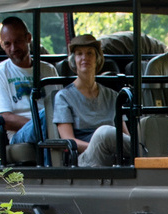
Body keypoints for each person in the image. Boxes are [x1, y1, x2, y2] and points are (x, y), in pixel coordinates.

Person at [54, 33, 127, 166]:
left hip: (115, 153)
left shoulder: (112, 96)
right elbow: (68, 140)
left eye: (89, 53)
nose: (84, 58)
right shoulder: (63, 97)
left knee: (145, 126)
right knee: (103, 134)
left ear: (97, 58)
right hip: (83, 158)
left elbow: (125, 136)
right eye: (79, 54)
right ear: (73, 60)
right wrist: (97, 146)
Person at [0, 16, 57, 145]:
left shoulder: (48, 70)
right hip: (22, 133)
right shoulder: (0, 74)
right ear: (1, 44)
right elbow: (3, 118)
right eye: (7, 44)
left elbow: (60, 104)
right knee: (45, 117)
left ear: (28, 38)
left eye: (18, 41)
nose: (13, 48)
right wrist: (41, 124)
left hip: (53, 125)